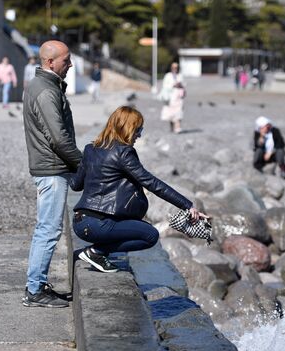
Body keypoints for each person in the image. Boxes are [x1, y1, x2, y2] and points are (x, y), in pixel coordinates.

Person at [70, 106, 207, 273]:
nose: (139, 134)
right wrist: (187, 205)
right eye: (138, 129)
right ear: (127, 128)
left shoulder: (90, 149)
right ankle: (96, 252)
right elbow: (152, 183)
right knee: (150, 235)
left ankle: (93, 252)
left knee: (139, 228)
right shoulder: (124, 152)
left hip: (80, 222)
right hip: (100, 225)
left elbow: (76, 185)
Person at [22, 40, 83, 308]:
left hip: (49, 167)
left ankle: (37, 285)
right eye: (66, 60)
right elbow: (58, 139)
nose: (70, 65)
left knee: (46, 228)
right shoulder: (46, 92)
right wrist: (83, 163)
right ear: (50, 62)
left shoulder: (45, 87)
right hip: (51, 169)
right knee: (48, 230)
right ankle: (35, 290)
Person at [160, 62, 185, 133]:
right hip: (170, 98)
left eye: (176, 67)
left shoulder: (180, 75)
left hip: (179, 98)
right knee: (170, 113)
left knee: (179, 112)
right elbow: (164, 86)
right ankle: (172, 127)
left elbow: (184, 85)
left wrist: (180, 85)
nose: (175, 69)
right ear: (171, 68)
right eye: (174, 67)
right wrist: (173, 85)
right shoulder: (168, 76)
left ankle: (178, 127)